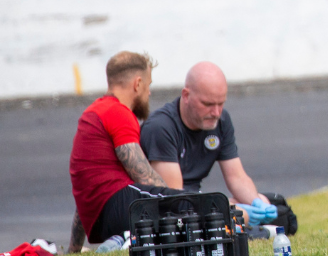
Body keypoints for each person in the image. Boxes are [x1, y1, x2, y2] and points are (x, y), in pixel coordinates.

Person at [140, 61, 278, 227]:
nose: (216, 113)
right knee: (235, 213)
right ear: (186, 95)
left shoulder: (221, 120)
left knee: (261, 200)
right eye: (208, 104)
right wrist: (229, 209)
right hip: (165, 211)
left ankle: (240, 220)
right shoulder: (161, 127)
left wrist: (257, 203)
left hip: (196, 201)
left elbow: (237, 177)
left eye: (221, 103)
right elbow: (175, 200)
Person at [69, 51, 181, 253]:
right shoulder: (118, 112)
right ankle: (123, 241)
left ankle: (122, 238)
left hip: (98, 219)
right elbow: (144, 175)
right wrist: (177, 201)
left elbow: (86, 188)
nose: (149, 93)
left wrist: (74, 248)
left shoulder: (93, 112)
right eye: (149, 85)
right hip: (118, 206)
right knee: (189, 205)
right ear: (138, 84)